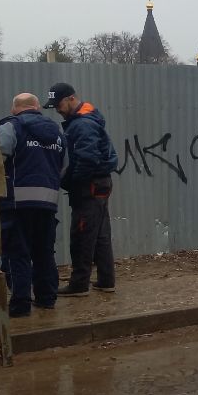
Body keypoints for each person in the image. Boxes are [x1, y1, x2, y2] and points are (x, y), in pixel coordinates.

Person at [46, 81, 119, 295]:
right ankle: (106, 280)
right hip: (99, 183)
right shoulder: (86, 120)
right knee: (100, 234)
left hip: (89, 186)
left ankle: (79, 284)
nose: (57, 110)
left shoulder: (82, 125)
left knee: (82, 234)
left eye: (59, 105)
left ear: (71, 98)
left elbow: (87, 159)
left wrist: (73, 182)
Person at [0, 93, 66, 316]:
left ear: (14, 109)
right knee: (44, 252)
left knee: (17, 254)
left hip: (17, 204)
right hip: (48, 203)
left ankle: (20, 305)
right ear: (37, 108)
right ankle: (47, 299)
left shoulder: (11, 127)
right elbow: (64, 167)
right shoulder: (57, 133)